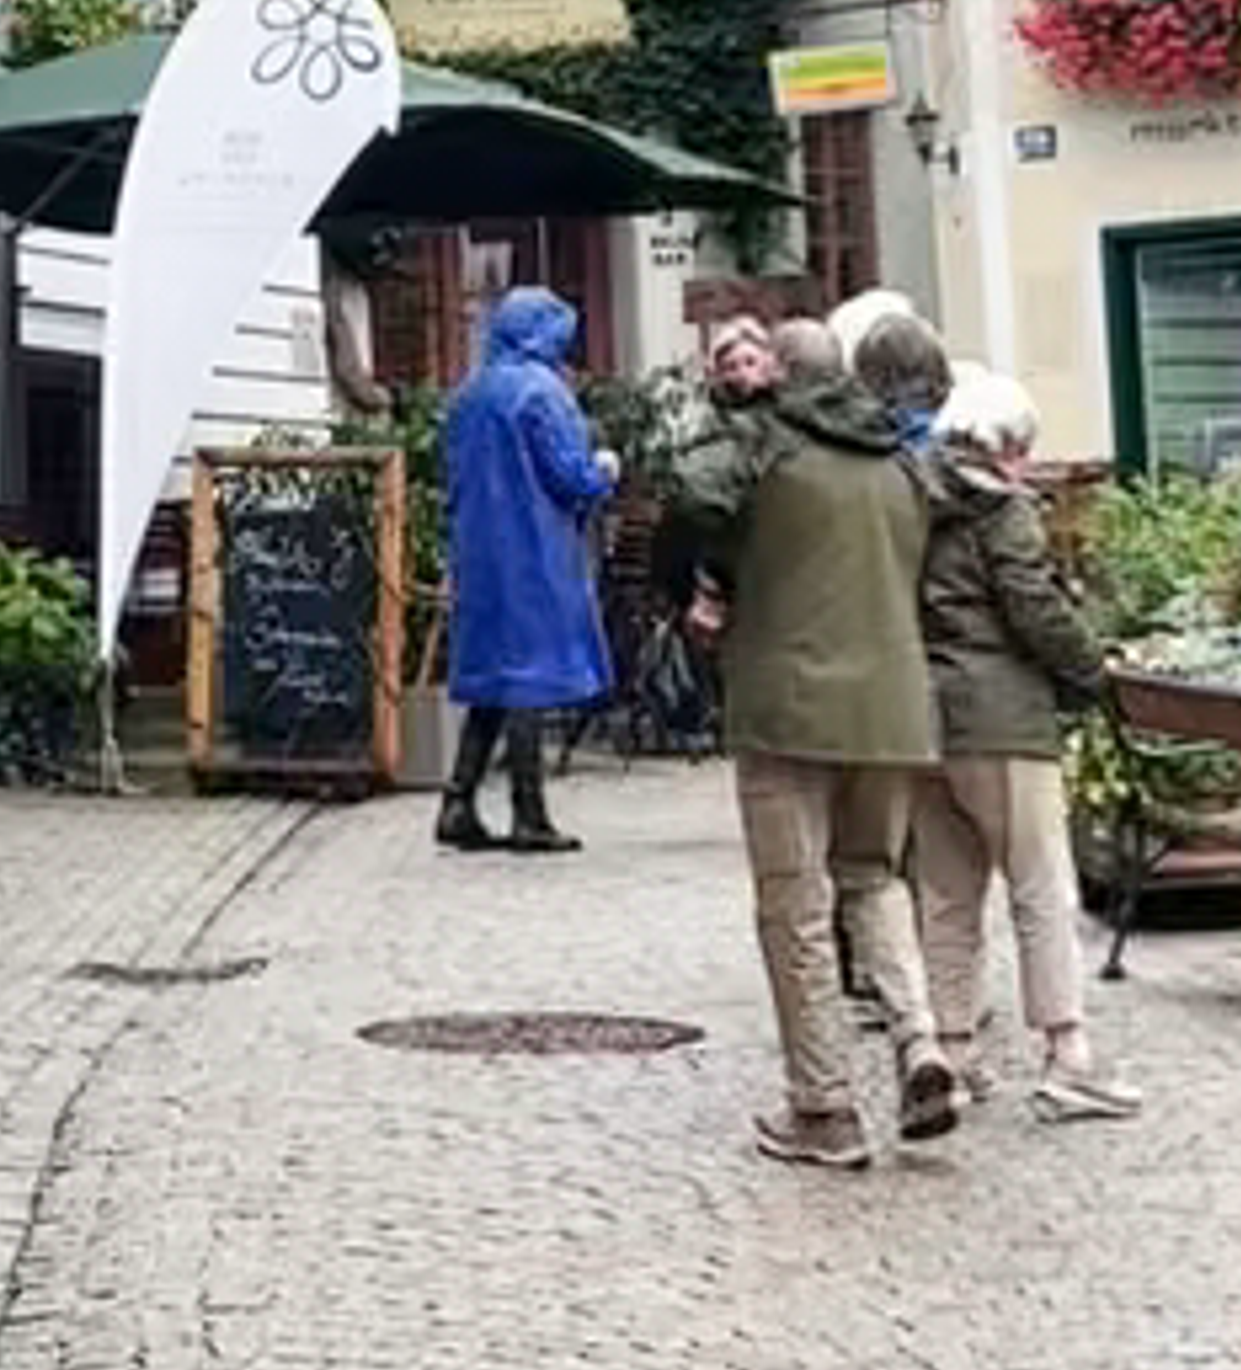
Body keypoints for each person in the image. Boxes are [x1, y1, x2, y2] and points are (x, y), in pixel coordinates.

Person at [669, 307, 953, 1165]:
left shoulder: (769, 449)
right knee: (874, 879)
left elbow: (691, 494)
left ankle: (823, 1105)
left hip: (789, 704)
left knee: (795, 904)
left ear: (781, 376)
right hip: (894, 704)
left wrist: (713, 572)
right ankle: (920, 1039)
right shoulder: (904, 461)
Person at [912, 364, 1128, 1119]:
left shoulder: (908, 499)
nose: (1027, 462)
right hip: (1003, 720)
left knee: (945, 894)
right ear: (997, 443)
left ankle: (954, 1048)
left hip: (925, 720)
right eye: (1022, 447)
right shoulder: (1002, 513)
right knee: (1040, 885)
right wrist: (1091, 670)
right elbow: (1034, 609)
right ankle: (1067, 1053)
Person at [436, 284, 620, 854]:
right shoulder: (544, 393)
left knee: (494, 677)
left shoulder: (469, 394)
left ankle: (458, 801)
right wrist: (605, 470)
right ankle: (529, 813)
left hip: (478, 549)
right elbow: (570, 479)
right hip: (533, 551)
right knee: (529, 680)